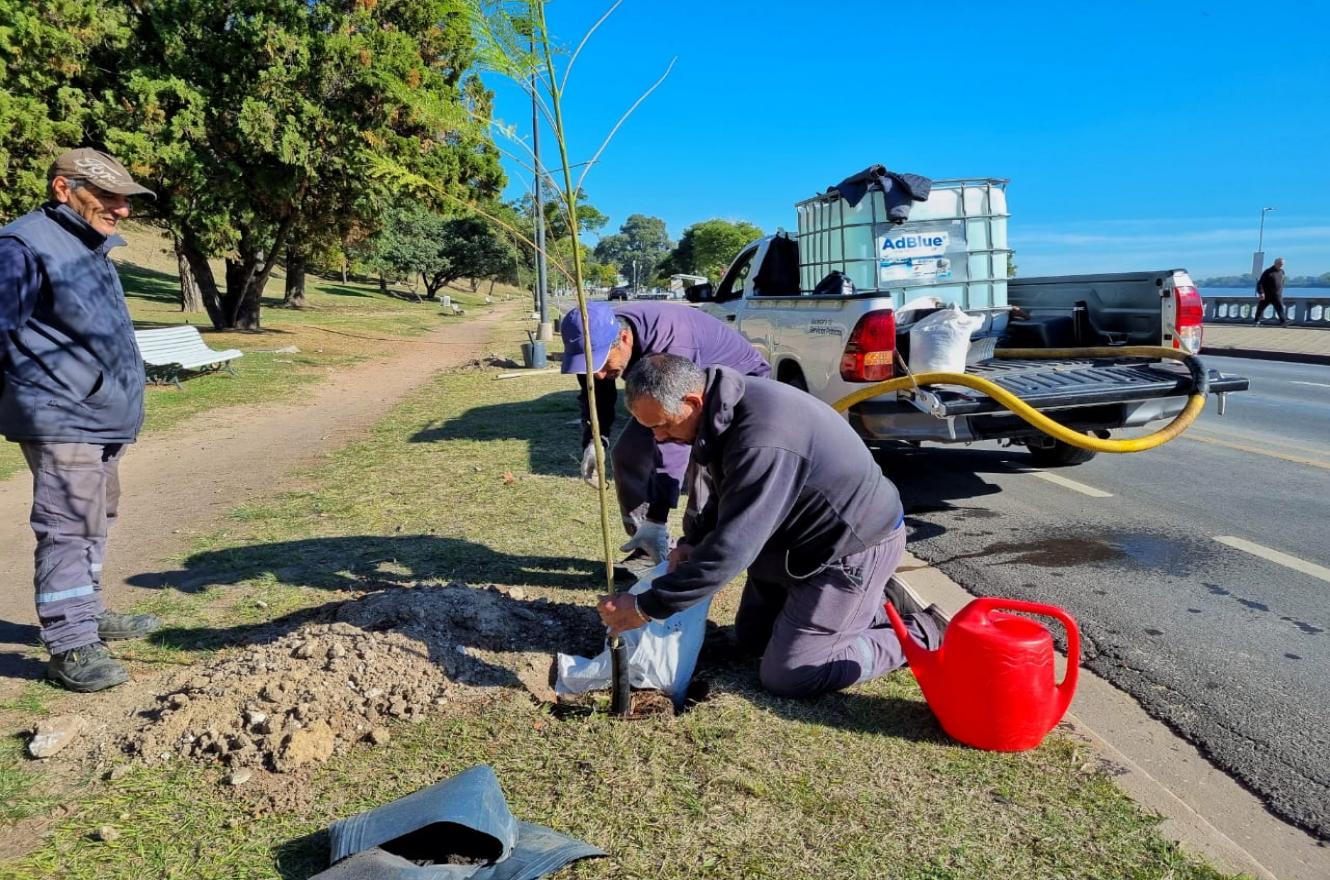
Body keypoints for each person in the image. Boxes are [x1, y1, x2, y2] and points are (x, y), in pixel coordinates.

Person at [597, 354, 947, 699]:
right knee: (753, 639)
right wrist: (695, 540)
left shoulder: (763, 435)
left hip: (849, 548)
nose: (659, 438)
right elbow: (730, 491)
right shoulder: (725, 409)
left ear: (692, 400)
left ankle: (921, 631)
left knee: (791, 674)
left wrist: (647, 607)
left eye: (665, 425)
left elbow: (732, 550)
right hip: (796, 544)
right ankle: (864, 606)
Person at [0, 148, 162, 692]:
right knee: (69, 524)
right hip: (61, 413)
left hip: (98, 414)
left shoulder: (87, 245)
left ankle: (86, 612)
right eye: (109, 196)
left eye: (126, 199)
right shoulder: (23, 246)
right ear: (63, 189)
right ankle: (70, 644)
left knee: (97, 517)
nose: (122, 209)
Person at [560, 301, 770, 567]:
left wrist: (658, 515)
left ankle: (695, 555)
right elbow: (595, 390)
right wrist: (594, 438)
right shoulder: (597, 338)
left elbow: (673, 441)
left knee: (701, 468)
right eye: (592, 366)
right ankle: (647, 545)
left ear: (624, 339)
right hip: (669, 391)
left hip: (735, 386)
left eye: (604, 364)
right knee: (628, 453)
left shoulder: (671, 345)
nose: (600, 375)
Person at [1254, 257, 1287, 326]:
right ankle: (1256, 321)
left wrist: (1280, 291)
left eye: (1282, 264)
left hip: (1277, 295)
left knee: (1280, 308)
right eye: (1280, 264)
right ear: (1275, 263)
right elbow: (1260, 283)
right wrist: (1261, 293)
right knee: (1260, 308)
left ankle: (1283, 322)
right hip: (1266, 294)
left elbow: (1282, 282)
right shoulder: (1268, 272)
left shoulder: (1282, 272)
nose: (1281, 265)